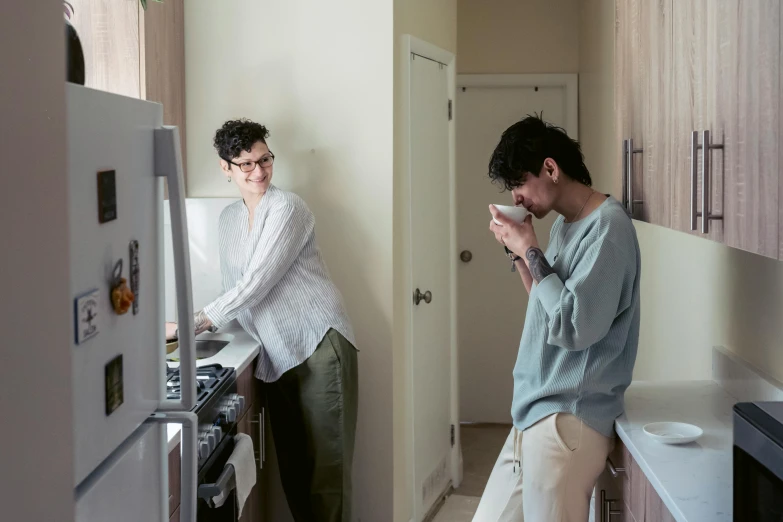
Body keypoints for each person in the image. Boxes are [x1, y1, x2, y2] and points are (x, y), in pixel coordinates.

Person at [167, 119, 358, 522]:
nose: (259, 172)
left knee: (327, 475)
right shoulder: (228, 221)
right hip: (275, 355)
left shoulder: (287, 207)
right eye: (247, 163)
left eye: (265, 159)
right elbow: (234, 288)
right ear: (227, 168)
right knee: (292, 469)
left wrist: (193, 323)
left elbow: (256, 283)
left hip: (318, 344)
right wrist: (200, 325)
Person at [474, 115, 641, 522]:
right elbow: (547, 309)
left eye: (518, 184)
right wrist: (520, 254)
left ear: (550, 169)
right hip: (535, 412)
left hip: (567, 420)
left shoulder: (608, 230)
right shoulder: (568, 226)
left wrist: (532, 249)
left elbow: (574, 327)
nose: (515, 198)